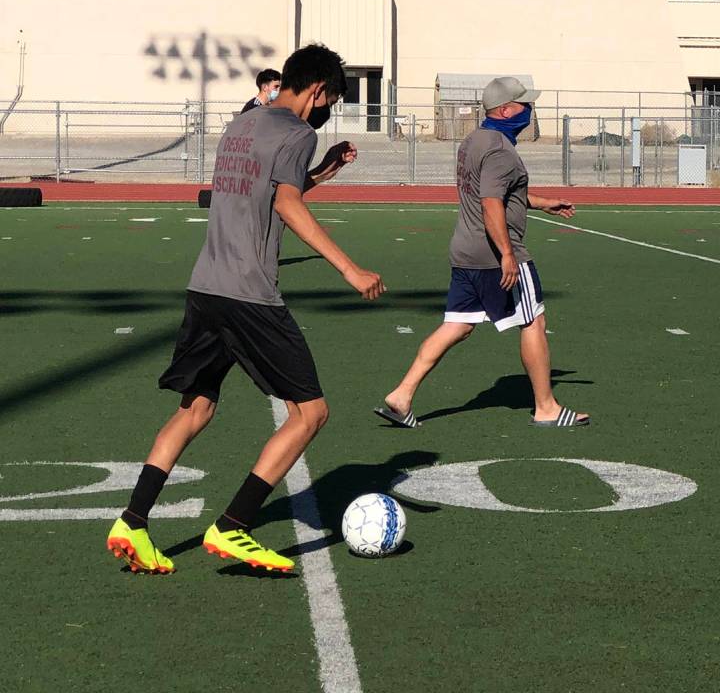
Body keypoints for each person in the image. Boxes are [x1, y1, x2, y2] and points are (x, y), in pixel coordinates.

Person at [107, 44, 384, 574]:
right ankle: (234, 527)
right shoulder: (299, 131)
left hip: (206, 285)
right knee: (311, 412)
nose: (327, 111)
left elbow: (274, 187)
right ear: (319, 90)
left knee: (195, 408)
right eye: (332, 99)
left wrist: (324, 170)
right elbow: (284, 201)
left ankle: (134, 520)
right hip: (249, 293)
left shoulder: (243, 124)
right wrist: (350, 270)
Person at [375, 76, 589, 430]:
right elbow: (491, 203)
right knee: (533, 321)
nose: (530, 110)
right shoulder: (501, 150)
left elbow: (496, 192)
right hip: (497, 254)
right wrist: (506, 253)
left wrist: (542, 203)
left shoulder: (474, 141)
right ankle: (546, 407)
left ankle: (402, 394)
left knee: (457, 325)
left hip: (465, 251)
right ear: (506, 110)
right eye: (525, 105)